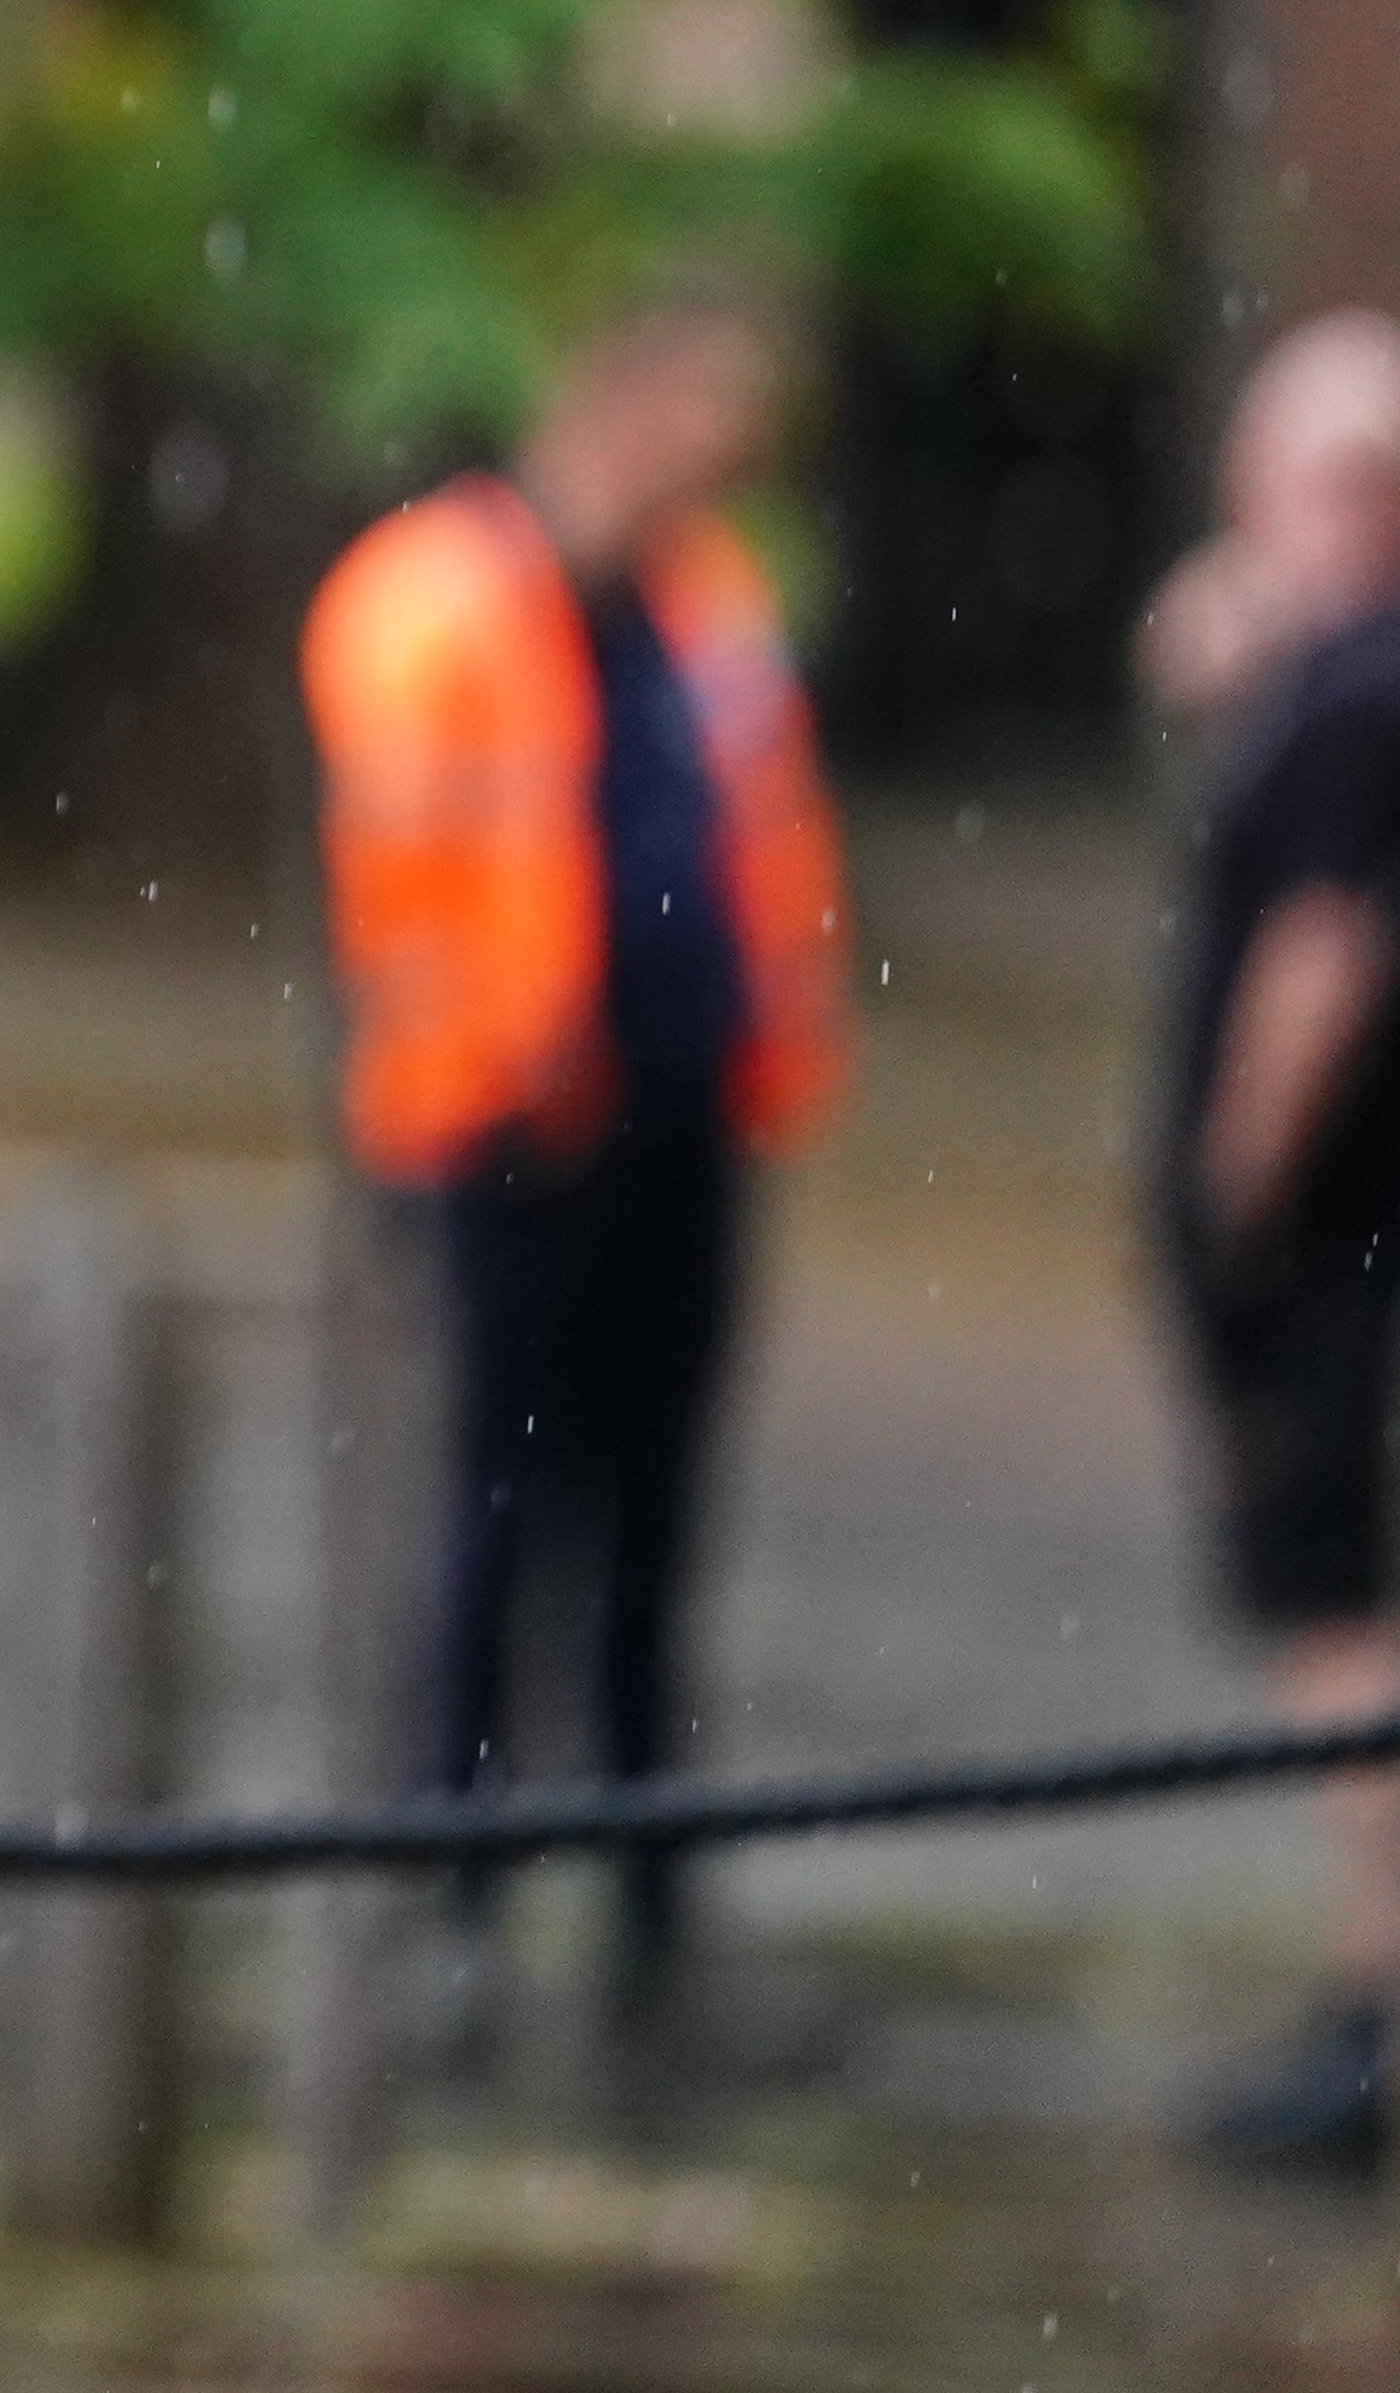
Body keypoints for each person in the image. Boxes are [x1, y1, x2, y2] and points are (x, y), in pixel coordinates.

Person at [300, 292, 847, 2024]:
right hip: (509, 1135)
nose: (724, 466)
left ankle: (644, 1881)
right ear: (614, 401)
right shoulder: (438, 603)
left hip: (684, 1117)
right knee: (493, 1509)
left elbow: (761, 832)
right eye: (701, 422)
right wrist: (491, 1053)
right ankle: (455, 1875)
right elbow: (405, 870)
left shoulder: (710, 604)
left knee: (655, 1521)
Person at [1133, 309, 1400, 2174]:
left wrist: (1234, 1190)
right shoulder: (1398, 684)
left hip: (1339, 1259)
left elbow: (1320, 965)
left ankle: (1392, 2004)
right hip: (1385, 1242)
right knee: (1355, 1617)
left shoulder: (1368, 709)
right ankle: (1396, 1999)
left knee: (1343, 1629)